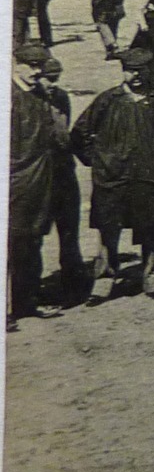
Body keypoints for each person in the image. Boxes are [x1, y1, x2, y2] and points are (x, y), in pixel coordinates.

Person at [71, 47, 154, 302]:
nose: (136, 76)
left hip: (150, 179)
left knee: (150, 229)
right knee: (108, 230)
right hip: (113, 179)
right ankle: (104, 282)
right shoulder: (109, 100)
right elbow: (80, 133)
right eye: (130, 70)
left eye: (141, 71)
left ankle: (152, 278)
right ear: (123, 71)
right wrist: (97, 161)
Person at [10, 42, 66, 328]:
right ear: (14, 62)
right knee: (10, 244)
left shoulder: (40, 94)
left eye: (39, 66)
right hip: (16, 184)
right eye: (30, 65)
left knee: (32, 242)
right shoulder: (9, 97)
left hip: (40, 182)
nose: (35, 71)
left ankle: (26, 302)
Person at [38, 57, 87, 307]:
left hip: (64, 172)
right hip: (38, 176)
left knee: (69, 229)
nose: (52, 85)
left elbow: (65, 133)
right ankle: (30, 288)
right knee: (34, 234)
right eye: (47, 79)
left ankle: (74, 282)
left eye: (55, 79)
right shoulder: (24, 101)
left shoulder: (61, 97)